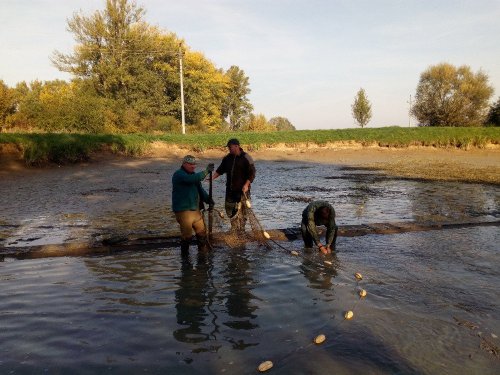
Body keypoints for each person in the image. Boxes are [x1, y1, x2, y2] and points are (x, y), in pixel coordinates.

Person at [172, 155, 214, 253]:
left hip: (195, 211)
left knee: (202, 234)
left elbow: (200, 190)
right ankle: (185, 259)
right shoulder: (178, 174)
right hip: (184, 212)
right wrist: (206, 171)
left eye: (194, 164)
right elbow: (191, 179)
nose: (193, 166)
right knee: (187, 237)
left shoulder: (194, 176)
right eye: (190, 164)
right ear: (184, 164)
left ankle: (202, 255)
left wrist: (208, 199)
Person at [212, 138, 256, 233]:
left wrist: (246, 184)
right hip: (230, 190)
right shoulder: (227, 158)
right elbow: (220, 170)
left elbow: (252, 173)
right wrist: (212, 178)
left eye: (230, 147)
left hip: (243, 190)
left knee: (243, 211)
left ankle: (242, 229)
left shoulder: (246, 157)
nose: (229, 149)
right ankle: (234, 228)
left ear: (237, 146)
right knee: (229, 209)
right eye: (228, 147)